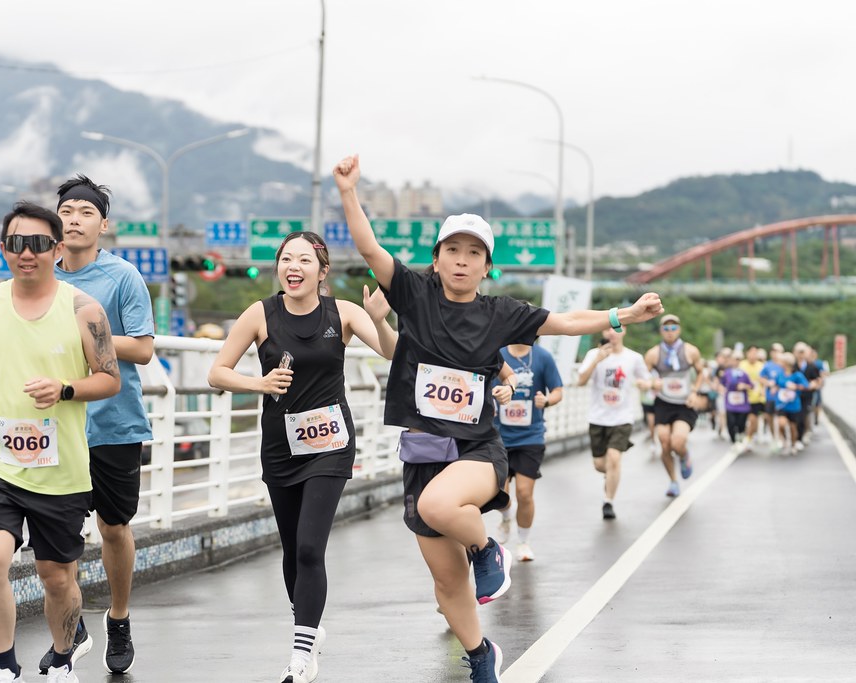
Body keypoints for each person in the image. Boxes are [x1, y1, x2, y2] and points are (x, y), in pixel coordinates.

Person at [333, 154, 663, 683]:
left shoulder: (501, 313)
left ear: (488, 266)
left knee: (440, 504)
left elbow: (567, 321)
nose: (462, 261)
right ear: (436, 259)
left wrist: (622, 315)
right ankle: (481, 654)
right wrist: (349, 192)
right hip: (423, 450)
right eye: (452, 250)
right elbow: (369, 247)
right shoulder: (414, 295)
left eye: (474, 253)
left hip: (478, 451)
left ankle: (490, 547)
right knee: (446, 582)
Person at [207, 230, 397, 683]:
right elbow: (217, 372)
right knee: (293, 551)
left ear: (322, 271)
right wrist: (260, 383)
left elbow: (394, 354)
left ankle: (300, 651)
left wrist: (381, 320)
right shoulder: (260, 313)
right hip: (280, 446)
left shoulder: (345, 313)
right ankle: (309, 628)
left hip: (330, 445)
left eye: (304, 261)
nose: (293, 267)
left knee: (312, 546)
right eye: (286, 259)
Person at [0, 201, 121, 683]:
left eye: (37, 244)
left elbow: (110, 379)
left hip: (62, 468)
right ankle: (5, 668)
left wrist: (65, 389)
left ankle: (63, 657)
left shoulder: (84, 311)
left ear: (56, 248)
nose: (26, 253)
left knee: (57, 577)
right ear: (3, 249)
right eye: (16, 244)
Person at [46, 175, 155, 675]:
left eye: (85, 212)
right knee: (58, 535)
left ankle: (119, 617)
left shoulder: (123, 277)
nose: (74, 219)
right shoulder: (42, 275)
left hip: (114, 423)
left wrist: (90, 336)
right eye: (66, 210)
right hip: (55, 422)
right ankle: (71, 627)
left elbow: (144, 347)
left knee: (113, 527)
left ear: (103, 224)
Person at [494, 340, 563, 559]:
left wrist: (548, 400)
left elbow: (558, 390)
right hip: (497, 435)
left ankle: (523, 542)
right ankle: (506, 518)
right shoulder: (497, 353)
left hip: (530, 435)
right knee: (499, 494)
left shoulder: (542, 357)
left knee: (524, 493)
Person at [577, 325, 651, 520]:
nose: (612, 333)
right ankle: (611, 475)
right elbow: (580, 381)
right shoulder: (594, 354)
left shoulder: (634, 358)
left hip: (622, 417)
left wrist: (645, 384)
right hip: (598, 417)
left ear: (624, 331)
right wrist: (597, 361)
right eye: (608, 329)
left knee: (614, 458)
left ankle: (608, 501)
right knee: (600, 464)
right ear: (603, 332)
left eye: (617, 329)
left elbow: (647, 380)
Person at [644, 313, 706, 498]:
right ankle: (673, 481)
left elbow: (701, 372)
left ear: (679, 330)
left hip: (684, 402)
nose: (670, 332)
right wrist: (650, 383)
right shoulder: (653, 354)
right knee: (664, 443)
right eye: (666, 328)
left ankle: (684, 454)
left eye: (673, 328)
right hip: (663, 402)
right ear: (661, 331)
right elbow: (642, 376)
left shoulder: (691, 351)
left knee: (677, 442)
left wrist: (695, 391)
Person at [773, 351, 809, 454]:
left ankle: (793, 444)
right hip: (781, 404)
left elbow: (806, 386)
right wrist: (774, 388)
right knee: (781, 423)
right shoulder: (780, 374)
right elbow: (776, 384)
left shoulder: (797, 375)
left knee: (793, 426)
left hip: (793, 405)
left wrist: (795, 386)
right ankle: (784, 441)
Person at [720, 350, 753, 451]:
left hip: (742, 404)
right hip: (730, 403)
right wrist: (722, 390)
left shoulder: (744, 374)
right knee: (731, 422)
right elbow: (721, 384)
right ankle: (734, 441)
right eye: (734, 359)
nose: (736, 362)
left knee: (741, 423)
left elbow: (751, 385)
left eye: (738, 359)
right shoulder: (727, 373)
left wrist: (744, 386)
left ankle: (740, 438)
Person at [737, 345, 766, 448]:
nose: (753, 355)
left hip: (757, 398)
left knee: (753, 419)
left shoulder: (761, 366)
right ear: (747, 353)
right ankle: (744, 436)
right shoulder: (742, 365)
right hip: (743, 397)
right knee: (743, 420)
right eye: (751, 352)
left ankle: (748, 438)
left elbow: (764, 380)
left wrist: (763, 389)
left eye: (755, 353)